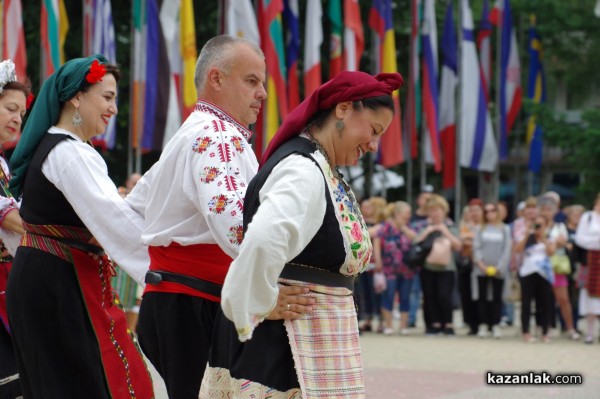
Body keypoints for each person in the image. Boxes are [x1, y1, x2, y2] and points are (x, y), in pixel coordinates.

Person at [200, 71, 402, 398]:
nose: (373, 145)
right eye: (373, 130)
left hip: (306, 342)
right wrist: (260, 301)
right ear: (344, 109)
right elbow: (264, 239)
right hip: (283, 347)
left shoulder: (320, 166)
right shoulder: (303, 169)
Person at [132, 35, 278, 398]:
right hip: (194, 303)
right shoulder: (218, 136)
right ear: (216, 78)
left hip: (174, 298)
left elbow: (134, 207)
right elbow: (234, 226)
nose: (262, 93)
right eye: (251, 81)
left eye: (262, 83)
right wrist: (277, 279)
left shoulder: (191, 133)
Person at [5, 55, 153, 397]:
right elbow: (115, 221)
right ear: (76, 96)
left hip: (50, 280)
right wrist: (164, 271)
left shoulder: (63, 148)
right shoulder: (70, 153)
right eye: (107, 96)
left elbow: (114, 212)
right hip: (55, 286)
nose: (114, 108)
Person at [0, 59, 28, 399]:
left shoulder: (5, 165)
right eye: (9, 108)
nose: (17, 118)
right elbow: (12, 220)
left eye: (21, 112)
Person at [413, 194, 462, 336]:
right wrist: (428, 231)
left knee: (444, 295)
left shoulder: (450, 226)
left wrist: (444, 231)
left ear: (444, 210)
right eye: (432, 210)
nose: (435, 213)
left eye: (437, 210)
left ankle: (448, 323)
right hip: (428, 267)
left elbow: (458, 245)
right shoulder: (425, 226)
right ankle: (432, 324)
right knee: (429, 295)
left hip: (447, 268)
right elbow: (416, 242)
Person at [538, 195, 580, 340]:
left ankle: (570, 328)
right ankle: (547, 327)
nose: (546, 212)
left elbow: (563, 243)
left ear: (555, 211)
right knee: (545, 299)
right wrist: (554, 243)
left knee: (563, 299)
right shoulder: (537, 226)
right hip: (540, 267)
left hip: (556, 266)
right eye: (543, 209)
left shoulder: (560, 226)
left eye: (549, 209)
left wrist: (551, 243)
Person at [373, 201, 416, 335]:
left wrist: (404, 229)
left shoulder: (408, 226)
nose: (409, 216)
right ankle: (389, 325)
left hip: (407, 269)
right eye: (406, 213)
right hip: (388, 268)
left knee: (405, 297)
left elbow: (416, 238)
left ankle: (403, 326)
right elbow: (377, 239)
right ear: (398, 213)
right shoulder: (386, 227)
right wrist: (378, 260)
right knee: (388, 296)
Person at [472, 202, 512, 339]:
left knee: (497, 297)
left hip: (498, 269)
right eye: (487, 211)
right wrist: (481, 264)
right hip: (482, 268)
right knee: (482, 297)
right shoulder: (480, 229)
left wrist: (499, 267)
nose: (490, 214)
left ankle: (495, 324)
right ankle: (483, 325)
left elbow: (506, 249)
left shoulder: (505, 229)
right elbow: (476, 247)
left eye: (492, 210)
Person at [514, 214, 555, 343]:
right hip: (528, 272)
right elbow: (517, 250)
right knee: (526, 303)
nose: (538, 227)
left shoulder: (548, 237)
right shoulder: (527, 238)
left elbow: (551, 252)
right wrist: (527, 234)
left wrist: (543, 237)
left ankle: (544, 331)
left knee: (544, 303)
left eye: (540, 225)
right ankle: (525, 331)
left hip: (544, 273)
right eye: (535, 224)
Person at [113, 172, 144, 334]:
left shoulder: (145, 202)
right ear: (127, 183)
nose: (136, 187)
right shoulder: (119, 197)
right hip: (118, 261)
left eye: (140, 183)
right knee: (113, 309)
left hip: (136, 260)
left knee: (132, 317)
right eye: (134, 183)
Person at [574, 193, 600, 344]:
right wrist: (596, 241)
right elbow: (580, 239)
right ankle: (590, 332)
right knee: (589, 298)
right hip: (591, 260)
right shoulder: (588, 217)